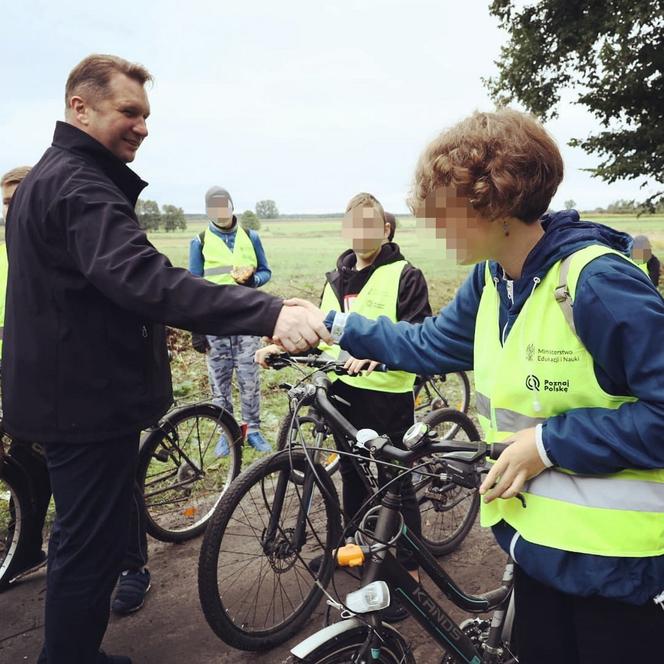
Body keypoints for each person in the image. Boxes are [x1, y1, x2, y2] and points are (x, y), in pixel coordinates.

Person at [2, 53, 329, 664]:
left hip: (64, 393)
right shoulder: (80, 186)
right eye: (129, 111)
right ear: (80, 107)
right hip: (85, 402)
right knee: (88, 546)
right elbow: (148, 281)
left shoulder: (51, 179)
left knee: (82, 536)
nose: (143, 126)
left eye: (146, 114)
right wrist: (269, 313)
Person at [308, 110, 664, 663]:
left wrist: (547, 445)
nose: (430, 224)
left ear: (494, 200)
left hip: (618, 570)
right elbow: (428, 344)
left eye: (441, 209)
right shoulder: (493, 278)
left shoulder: (598, 283)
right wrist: (333, 327)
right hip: (538, 551)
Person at [257, 193, 431, 610]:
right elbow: (322, 333)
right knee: (352, 476)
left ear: (385, 229)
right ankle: (358, 549)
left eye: (371, 223)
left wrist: (381, 353)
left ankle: (410, 576)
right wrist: (281, 347)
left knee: (396, 484)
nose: (362, 231)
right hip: (342, 394)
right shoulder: (335, 279)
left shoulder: (406, 275)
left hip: (388, 395)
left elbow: (419, 333)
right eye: (354, 223)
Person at [189, 187, 272, 454]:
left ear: (232, 205)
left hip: (247, 320)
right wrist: (197, 330)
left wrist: (252, 280)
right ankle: (227, 433)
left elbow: (265, 272)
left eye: (223, 205)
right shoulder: (199, 242)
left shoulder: (251, 236)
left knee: (250, 378)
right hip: (215, 325)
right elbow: (192, 287)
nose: (220, 212)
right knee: (219, 383)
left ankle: (253, 431)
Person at [1, 166, 52, 581]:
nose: (11, 208)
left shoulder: (47, 239)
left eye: (18, 198)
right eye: (5, 203)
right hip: (15, 368)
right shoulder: (8, 243)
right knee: (25, 461)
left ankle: (132, 565)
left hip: (49, 371)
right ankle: (27, 545)